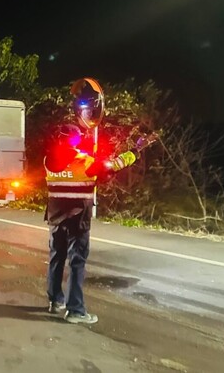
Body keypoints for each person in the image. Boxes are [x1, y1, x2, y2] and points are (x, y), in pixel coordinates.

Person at [43, 123, 156, 324]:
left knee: (56, 258)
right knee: (77, 262)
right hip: (77, 219)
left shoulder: (47, 161)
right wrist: (136, 151)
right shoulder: (85, 162)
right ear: (75, 140)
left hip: (55, 217)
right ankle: (76, 310)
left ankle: (55, 301)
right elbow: (115, 165)